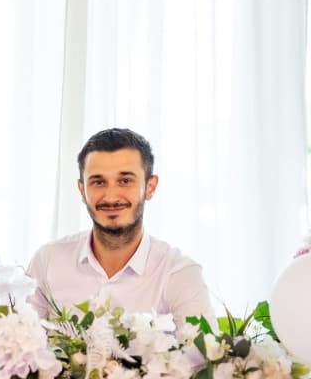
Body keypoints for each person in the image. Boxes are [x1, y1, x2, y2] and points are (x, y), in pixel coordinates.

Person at [26, 128, 213, 321]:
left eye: (125, 181)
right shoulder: (48, 261)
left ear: (150, 187)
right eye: (98, 182)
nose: (111, 197)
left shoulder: (180, 274)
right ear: (82, 190)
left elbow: (199, 342)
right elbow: (19, 337)